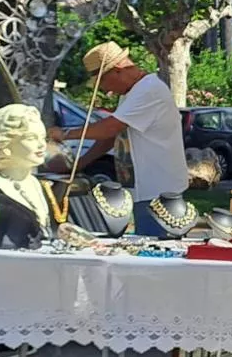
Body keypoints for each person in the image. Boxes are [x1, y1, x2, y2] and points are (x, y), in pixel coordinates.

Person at [50, 42, 189, 237]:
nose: (106, 91)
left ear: (116, 71)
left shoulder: (149, 89)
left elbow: (109, 128)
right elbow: (112, 137)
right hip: (144, 190)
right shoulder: (133, 92)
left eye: (103, 83)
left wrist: (65, 134)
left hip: (158, 191)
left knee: (156, 254)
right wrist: (79, 164)